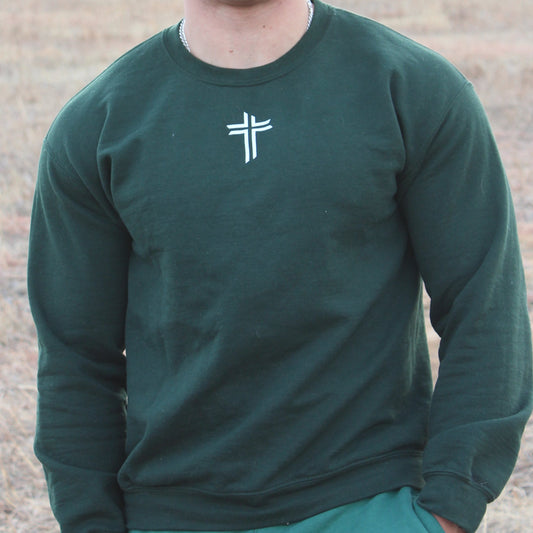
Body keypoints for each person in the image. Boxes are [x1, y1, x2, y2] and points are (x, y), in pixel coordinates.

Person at [27, 0, 533, 532]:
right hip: (173, 511)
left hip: (369, 502)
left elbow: (486, 307)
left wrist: (448, 509)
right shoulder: (96, 126)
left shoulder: (412, 90)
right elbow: (74, 358)